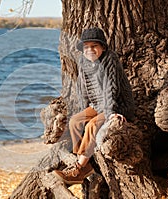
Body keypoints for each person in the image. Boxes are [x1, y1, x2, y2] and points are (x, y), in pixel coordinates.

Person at [53, 27, 135, 185]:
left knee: (92, 126)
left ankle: (77, 169)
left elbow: (111, 89)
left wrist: (111, 113)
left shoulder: (109, 60)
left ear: (103, 47)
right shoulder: (83, 62)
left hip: (117, 105)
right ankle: (84, 163)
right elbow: (82, 90)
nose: (90, 50)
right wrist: (83, 112)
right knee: (75, 122)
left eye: (94, 46)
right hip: (97, 105)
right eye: (86, 47)